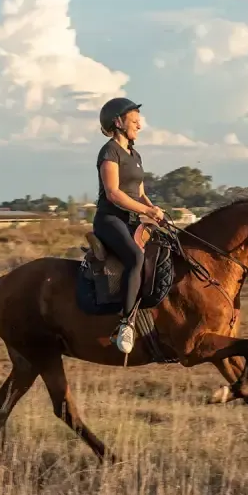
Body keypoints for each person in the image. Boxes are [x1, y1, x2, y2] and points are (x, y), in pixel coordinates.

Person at [94, 97, 166, 354]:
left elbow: (140, 193)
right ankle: (126, 323)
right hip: (110, 220)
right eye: (134, 121)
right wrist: (146, 210)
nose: (140, 126)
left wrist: (155, 211)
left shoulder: (134, 154)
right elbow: (113, 193)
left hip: (134, 219)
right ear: (118, 122)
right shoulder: (109, 152)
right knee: (135, 257)